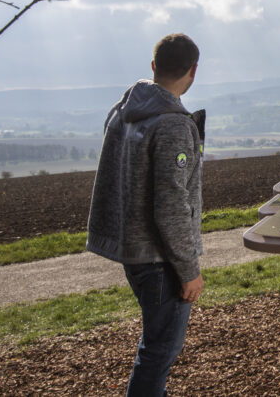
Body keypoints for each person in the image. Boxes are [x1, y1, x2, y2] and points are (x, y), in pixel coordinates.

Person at [87, 33, 206, 397]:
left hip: (134, 251)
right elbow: (170, 206)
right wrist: (188, 270)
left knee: (155, 346)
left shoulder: (125, 112)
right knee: (158, 353)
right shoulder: (172, 125)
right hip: (160, 260)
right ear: (193, 71)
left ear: (154, 66)